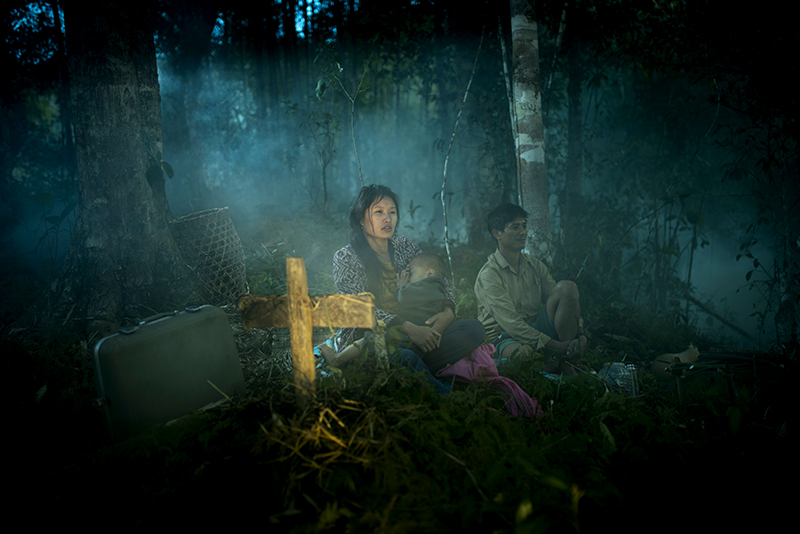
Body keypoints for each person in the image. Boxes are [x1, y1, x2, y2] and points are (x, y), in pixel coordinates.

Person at [332, 184, 484, 374]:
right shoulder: (346, 258)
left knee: (473, 329)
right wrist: (408, 328)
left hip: (417, 331)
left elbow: (438, 278)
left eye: (392, 212)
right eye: (378, 212)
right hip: (372, 339)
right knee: (402, 355)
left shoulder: (404, 246)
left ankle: (410, 364)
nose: (387, 218)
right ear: (361, 219)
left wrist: (448, 312)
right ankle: (421, 373)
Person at [474, 202, 588, 375]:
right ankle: (558, 361)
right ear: (497, 234)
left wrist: (581, 335)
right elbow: (512, 325)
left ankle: (566, 361)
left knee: (567, 287)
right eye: (515, 227)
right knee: (524, 355)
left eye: (524, 226)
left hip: (537, 328)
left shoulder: (535, 265)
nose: (523, 232)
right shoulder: (489, 275)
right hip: (505, 337)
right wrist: (558, 347)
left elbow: (561, 302)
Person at [320, 252, 449, 368]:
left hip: (413, 335)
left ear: (430, 273)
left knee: (372, 338)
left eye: (412, 274)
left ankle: (338, 359)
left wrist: (401, 286)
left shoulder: (430, 286)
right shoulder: (436, 289)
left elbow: (405, 298)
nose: (409, 278)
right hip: (418, 337)